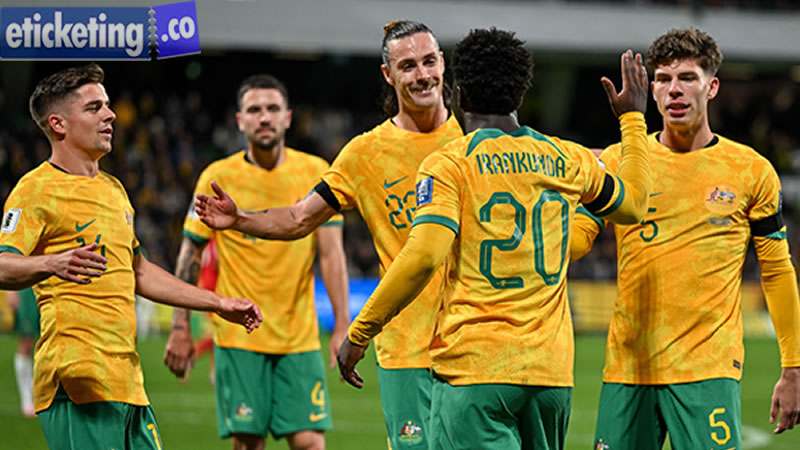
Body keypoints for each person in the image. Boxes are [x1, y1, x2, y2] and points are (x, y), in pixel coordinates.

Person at [333, 27, 652, 449]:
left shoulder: (450, 164)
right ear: (520, 94)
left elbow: (424, 256)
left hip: (475, 370)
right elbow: (633, 206)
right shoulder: (567, 158)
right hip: (549, 376)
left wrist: (359, 333)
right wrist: (632, 120)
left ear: (459, 95)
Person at [190, 20, 462, 449]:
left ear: (443, 63)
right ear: (388, 75)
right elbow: (300, 219)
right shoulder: (365, 153)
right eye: (408, 66)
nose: (422, 75)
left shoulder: (476, 138)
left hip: (475, 344)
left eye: (429, 61)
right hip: (407, 351)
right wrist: (241, 219)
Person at [0, 63, 262, 450]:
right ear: (58, 124)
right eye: (94, 108)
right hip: (77, 378)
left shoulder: (114, 190)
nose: (110, 115)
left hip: (127, 380)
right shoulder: (35, 190)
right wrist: (50, 263)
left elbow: (139, 271)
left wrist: (218, 303)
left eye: (107, 105)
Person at [568, 28, 800, 449]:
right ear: (652, 90)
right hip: (628, 368)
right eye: (663, 78)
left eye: (688, 77)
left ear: (712, 87)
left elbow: (777, 271)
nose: (674, 89)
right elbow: (578, 240)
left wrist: (794, 368)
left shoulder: (751, 170)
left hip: (708, 372)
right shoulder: (621, 161)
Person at [163, 74, 349, 450]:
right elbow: (191, 251)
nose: (264, 117)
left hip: (299, 336)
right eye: (254, 110)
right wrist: (180, 327)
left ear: (288, 117)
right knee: (248, 443)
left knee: (311, 442)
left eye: (273, 109)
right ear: (239, 120)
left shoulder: (316, 172)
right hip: (239, 336)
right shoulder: (217, 177)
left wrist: (342, 323)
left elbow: (331, 254)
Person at [7, 287, 39, 418]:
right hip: (27, 288)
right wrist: (11, 290)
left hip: (50, 286)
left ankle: (42, 397)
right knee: (27, 342)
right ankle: (27, 400)